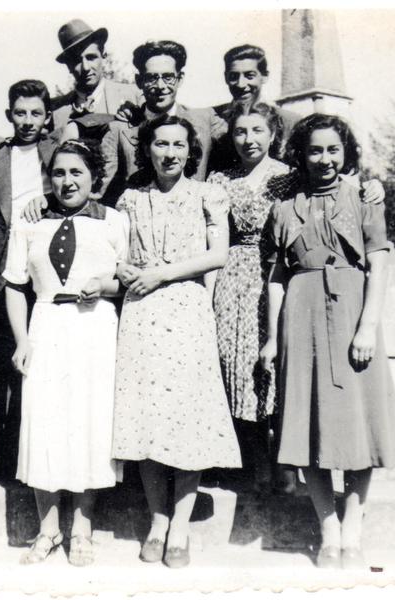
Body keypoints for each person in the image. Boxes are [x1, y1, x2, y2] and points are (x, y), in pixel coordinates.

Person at [260, 114, 395, 569]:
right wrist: (274, 338)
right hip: (301, 317)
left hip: (353, 313)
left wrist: (367, 326)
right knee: (308, 422)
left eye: (333, 150)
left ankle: (354, 529)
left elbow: (379, 265)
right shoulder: (283, 207)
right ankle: (329, 529)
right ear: (301, 154)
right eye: (315, 150)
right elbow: (277, 277)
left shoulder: (364, 198)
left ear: (345, 152)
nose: (324, 159)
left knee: (360, 424)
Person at [112, 114, 241, 569]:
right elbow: (118, 255)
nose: (170, 153)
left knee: (187, 419)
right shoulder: (129, 199)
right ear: (147, 149)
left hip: (186, 310)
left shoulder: (207, 195)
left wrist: (160, 273)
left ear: (191, 151)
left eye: (179, 145)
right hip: (142, 313)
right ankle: (158, 520)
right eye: (161, 144)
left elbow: (218, 254)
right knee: (147, 417)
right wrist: (125, 270)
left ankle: (181, 525)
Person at [4, 139, 128, 566]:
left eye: (77, 172)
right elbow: (16, 286)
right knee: (44, 424)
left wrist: (107, 286)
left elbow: (127, 279)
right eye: (58, 173)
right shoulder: (29, 223)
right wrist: (22, 340)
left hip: (95, 328)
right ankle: (48, 529)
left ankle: (83, 528)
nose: (67, 180)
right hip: (46, 327)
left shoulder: (114, 221)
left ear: (94, 178)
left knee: (89, 423)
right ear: (48, 178)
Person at [0, 80, 61, 476]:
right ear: (8, 115)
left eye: (36, 113)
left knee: (42, 363)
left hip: (50, 268)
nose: (28, 121)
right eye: (20, 113)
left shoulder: (58, 154)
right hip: (5, 271)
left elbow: (82, 186)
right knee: (4, 363)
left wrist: (49, 198)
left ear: (47, 116)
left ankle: (35, 456)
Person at [207, 103, 292, 490]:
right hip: (230, 274)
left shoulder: (290, 178)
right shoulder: (220, 178)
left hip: (274, 273)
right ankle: (242, 460)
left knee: (271, 364)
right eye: (241, 132)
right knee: (232, 361)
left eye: (257, 131)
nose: (248, 139)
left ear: (273, 134)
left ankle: (281, 464)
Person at [99, 40, 214, 205]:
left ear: (180, 78)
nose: (160, 86)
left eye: (168, 77)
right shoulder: (119, 130)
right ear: (139, 81)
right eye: (152, 78)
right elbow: (102, 194)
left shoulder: (204, 122)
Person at [209, 44, 300, 173]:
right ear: (226, 77)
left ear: (264, 76)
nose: (241, 84)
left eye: (249, 76)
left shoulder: (290, 121)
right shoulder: (213, 118)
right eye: (234, 76)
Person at [51, 19, 140, 133]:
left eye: (91, 57)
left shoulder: (133, 96)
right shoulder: (56, 110)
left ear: (103, 56)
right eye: (77, 61)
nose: (86, 67)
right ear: (69, 66)